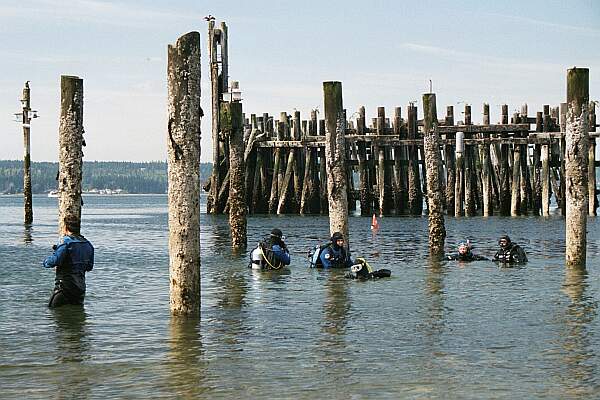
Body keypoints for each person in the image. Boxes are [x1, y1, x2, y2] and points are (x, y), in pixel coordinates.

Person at [43, 217, 95, 308]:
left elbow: (55, 260)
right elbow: (89, 267)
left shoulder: (66, 242)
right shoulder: (88, 244)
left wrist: (46, 262)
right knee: (77, 318)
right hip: (80, 289)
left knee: (52, 312)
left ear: (65, 228)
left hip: (64, 287)